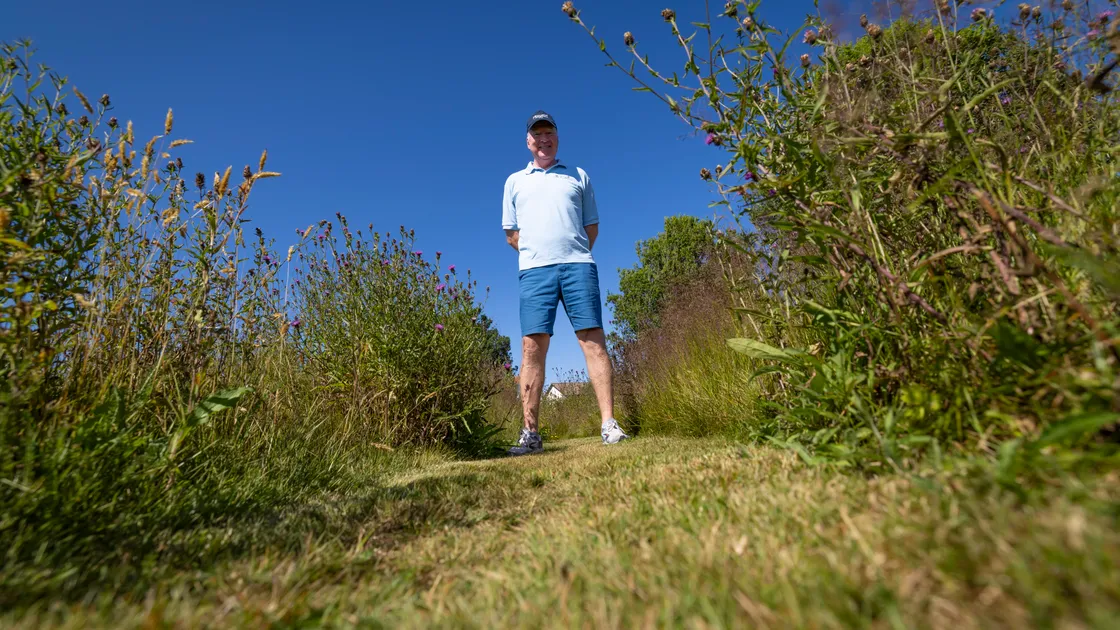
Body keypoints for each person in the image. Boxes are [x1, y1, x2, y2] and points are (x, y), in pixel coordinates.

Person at [502, 110, 629, 456]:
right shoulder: (514, 181)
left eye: (549, 134)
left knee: (593, 340)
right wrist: (536, 251)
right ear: (528, 141)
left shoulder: (578, 176)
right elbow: (511, 233)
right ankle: (530, 435)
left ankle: (608, 425)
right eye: (537, 134)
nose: (543, 140)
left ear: (557, 138)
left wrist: (571, 252)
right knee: (532, 347)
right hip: (534, 271)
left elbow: (592, 228)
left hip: (578, 267)